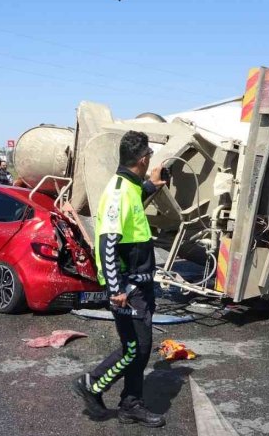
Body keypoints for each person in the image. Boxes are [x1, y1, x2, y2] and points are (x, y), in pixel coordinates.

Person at [71, 131, 167, 427]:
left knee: (140, 346)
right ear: (143, 159)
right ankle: (93, 384)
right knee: (134, 347)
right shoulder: (119, 192)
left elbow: (134, 201)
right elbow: (107, 244)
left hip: (138, 283)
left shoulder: (129, 186)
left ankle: (130, 405)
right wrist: (116, 289)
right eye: (149, 157)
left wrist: (151, 184)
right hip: (128, 287)